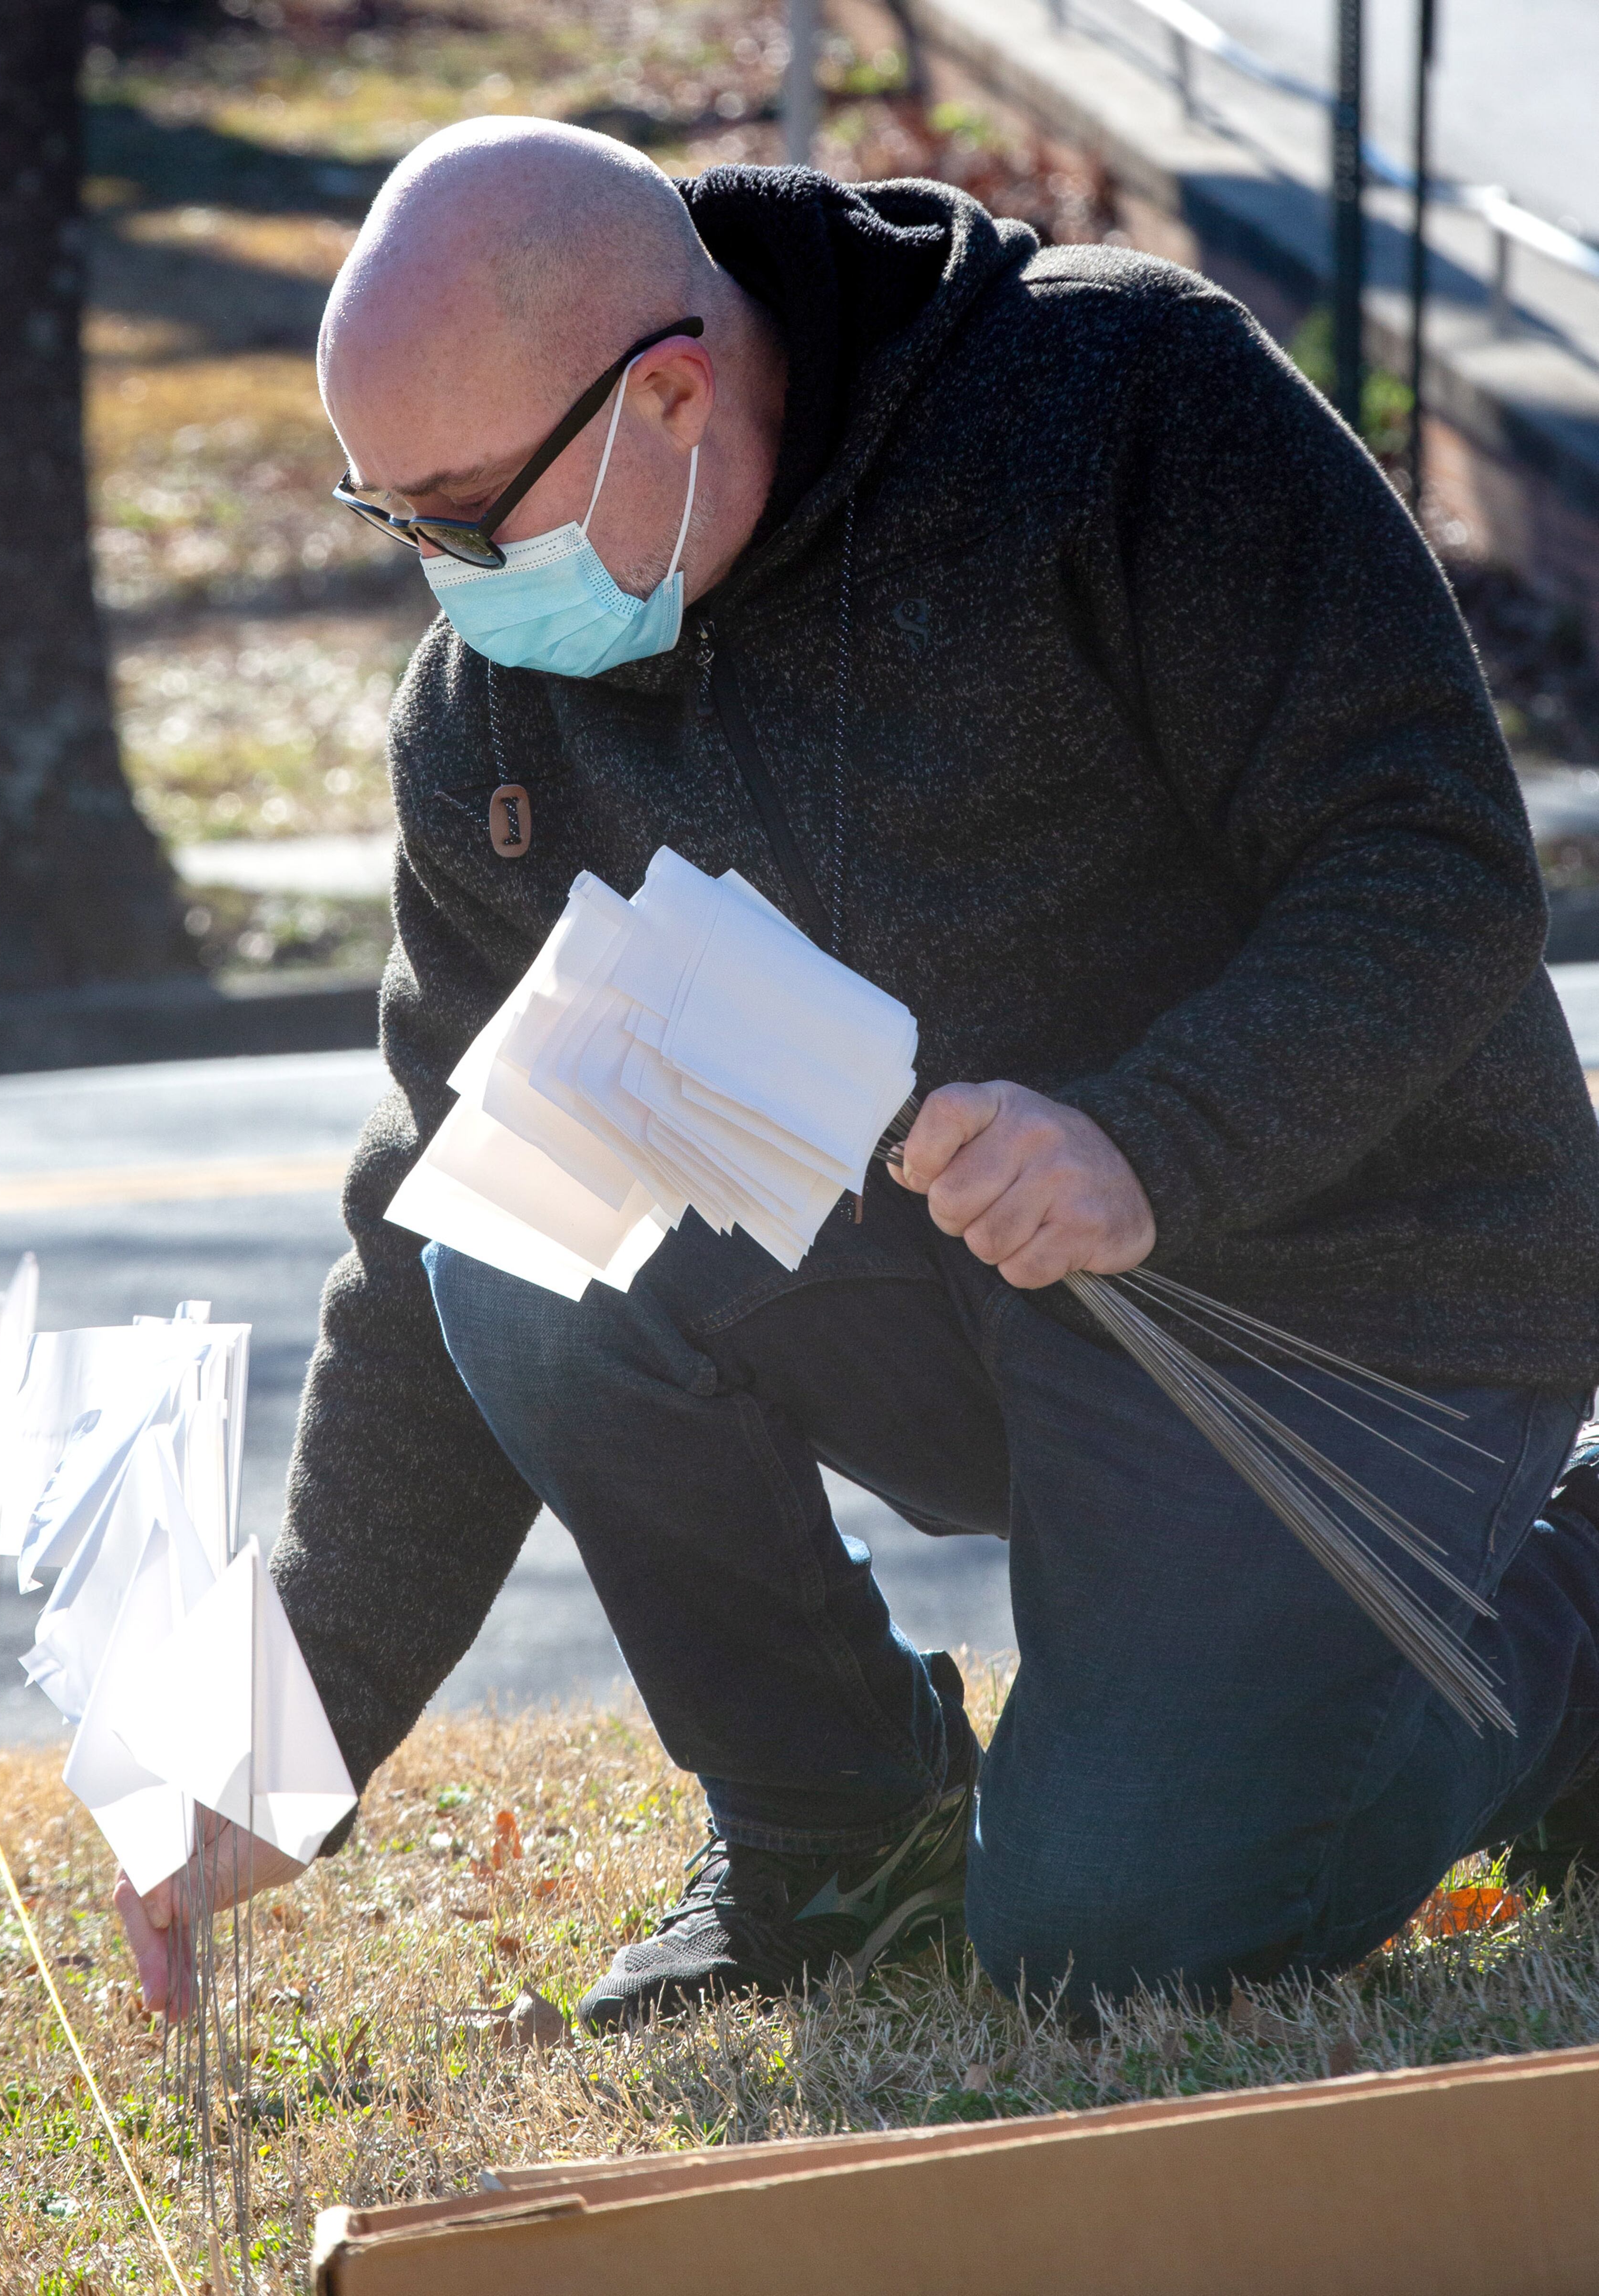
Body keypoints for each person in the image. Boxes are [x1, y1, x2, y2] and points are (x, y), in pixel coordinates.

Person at [115, 117, 1599, 2030]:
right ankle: (841, 1830)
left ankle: (1566, 1633)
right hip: (972, 1298)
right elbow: (438, 1232)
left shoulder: (1127, 398)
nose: (444, 579)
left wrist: (1156, 1140)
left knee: (1113, 1943)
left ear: (670, 390)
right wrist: (271, 1740)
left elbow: (1433, 856)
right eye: (393, 518)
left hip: (1352, 1293)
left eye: (472, 511)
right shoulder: (489, 721)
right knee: (510, 1230)